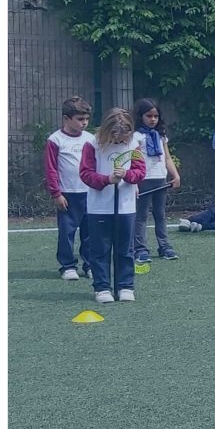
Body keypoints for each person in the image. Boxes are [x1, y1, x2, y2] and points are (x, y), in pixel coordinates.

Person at [79, 107, 146, 303]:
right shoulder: (91, 144)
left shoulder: (134, 145)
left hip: (125, 206)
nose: (119, 142)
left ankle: (125, 285)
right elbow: (85, 173)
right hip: (99, 206)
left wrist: (128, 175)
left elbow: (140, 171)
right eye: (115, 138)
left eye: (123, 138)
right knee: (100, 249)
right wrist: (107, 179)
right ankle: (102, 287)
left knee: (125, 248)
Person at [43, 96, 95, 280]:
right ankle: (67, 266)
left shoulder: (91, 139)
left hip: (90, 194)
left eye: (87, 119)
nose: (84, 123)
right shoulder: (55, 140)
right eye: (80, 119)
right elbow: (51, 169)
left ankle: (90, 264)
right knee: (67, 232)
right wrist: (56, 193)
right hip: (67, 195)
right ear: (66, 119)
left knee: (91, 232)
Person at [132, 98, 181, 262]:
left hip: (160, 179)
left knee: (160, 214)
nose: (153, 119)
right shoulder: (136, 136)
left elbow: (167, 158)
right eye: (149, 116)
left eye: (156, 116)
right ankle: (140, 249)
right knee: (141, 215)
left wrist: (175, 175)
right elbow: (133, 160)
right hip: (143, 180)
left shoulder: (161, 136)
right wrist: (134, 183)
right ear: (141, 116)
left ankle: (165, 246)